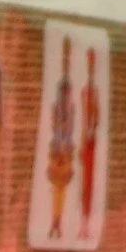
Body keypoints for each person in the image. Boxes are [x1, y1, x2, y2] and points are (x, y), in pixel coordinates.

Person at [47, 38, 76, 238]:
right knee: (56, 191)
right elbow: (56, 127)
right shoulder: (57, 108)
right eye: (62, 92)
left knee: (61, 192)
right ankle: (54, 223)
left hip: (64, 151)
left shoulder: (70, 109)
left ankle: (57, 223)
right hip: (58, 149)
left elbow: (68, 129)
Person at [79, 48, 101, 231]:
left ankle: (86, 224)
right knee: (83, 183)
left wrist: (91, 127)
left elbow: (96, 118)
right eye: (90, 64)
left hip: (92, 141)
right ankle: (82, 223)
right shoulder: (85, 92)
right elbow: (81, 119)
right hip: (85, 142)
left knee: (89, 182)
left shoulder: (95, 94)